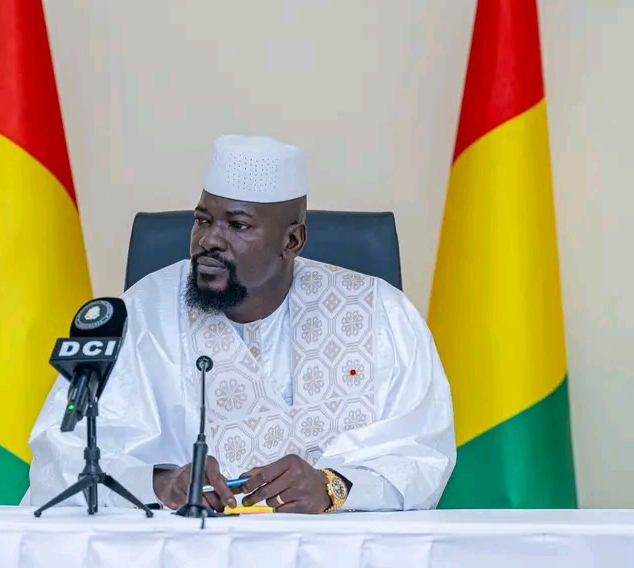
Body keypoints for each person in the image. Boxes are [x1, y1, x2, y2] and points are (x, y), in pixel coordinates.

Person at [26, 134, 456, 513]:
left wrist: (333, 488)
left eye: (238, 225)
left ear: (292, 240)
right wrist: (160, 484)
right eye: (202, 220)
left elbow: (424, 455)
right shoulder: (139, 316)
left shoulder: (380, 314)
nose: (209, 240)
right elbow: (59, 453)